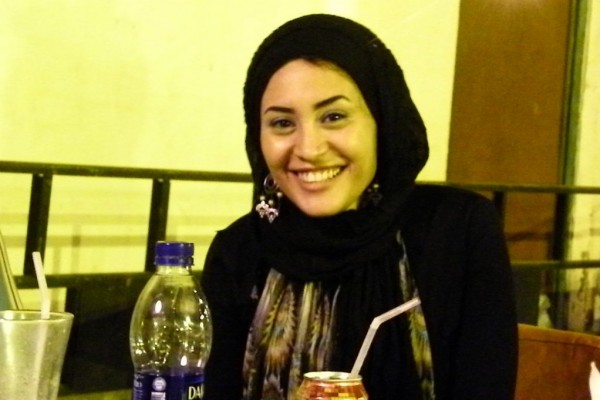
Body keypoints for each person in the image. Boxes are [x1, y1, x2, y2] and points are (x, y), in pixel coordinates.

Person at [201, 13, 518, 400]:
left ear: (381, 122)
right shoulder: (238, 252)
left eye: (334, 116)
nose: (309, 149)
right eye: (282, 123)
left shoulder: (456, 233)